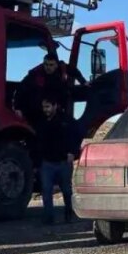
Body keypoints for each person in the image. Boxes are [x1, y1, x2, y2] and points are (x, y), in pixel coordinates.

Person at [34, 94, 85, 224]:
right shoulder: (42, 122)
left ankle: (69, 214)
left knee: (67, 190)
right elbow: (38, 141)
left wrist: (73, 152)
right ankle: (48, 218)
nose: (45, 109)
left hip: (63, 161)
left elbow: (77, 136)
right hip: (47, 162)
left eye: (48, 106)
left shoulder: (67, 121)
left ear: (55, 106)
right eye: (44, 107)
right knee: (46, 190)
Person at [15, 53, 85, 123]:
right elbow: (21, 89)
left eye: (51, 65)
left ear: (56, 65)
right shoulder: (35, 74)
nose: (48, 67)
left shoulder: (62, 68)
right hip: (39, 107)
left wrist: (83, 82)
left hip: (57, 102)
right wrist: (18, 108)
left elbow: (74, 71)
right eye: (46, 64)